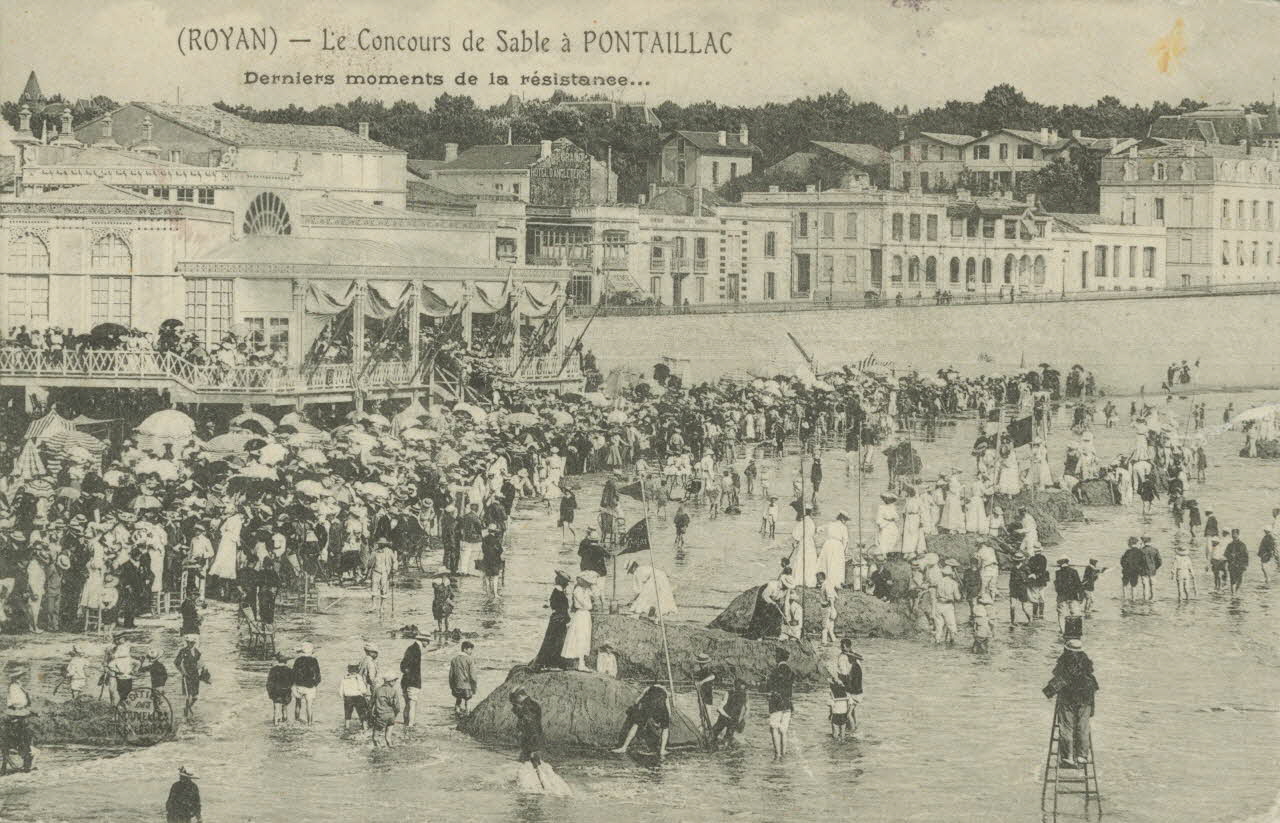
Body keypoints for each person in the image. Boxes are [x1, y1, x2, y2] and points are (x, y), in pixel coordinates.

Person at [1043, 638, 1099, 768]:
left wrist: (1048, 692)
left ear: (1067, 650)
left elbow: (1061, 679)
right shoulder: (1086, 663)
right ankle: (1082, 756)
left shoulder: (1065, 661)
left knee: (1067, 727)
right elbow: (1091, 683)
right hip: (1086, 698)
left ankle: (1068, 756)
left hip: (1068, 698)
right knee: (1083, 726)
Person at [612, 682, 672, 761]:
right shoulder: (665, 691)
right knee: (665, 728)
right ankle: (662, 750)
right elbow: (668, 707)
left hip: (648, 706)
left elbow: (636, 701)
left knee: (636, 725)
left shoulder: (648, 688)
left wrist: (637, 707)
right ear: (662, 685)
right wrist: (668, 717)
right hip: (660, 708)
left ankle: (624, 747)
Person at [534, 571, 571, 671]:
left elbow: (554, 604)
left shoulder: (556, 591)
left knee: (551, 641)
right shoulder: (560, 593)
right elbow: (562, 607)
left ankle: (545, 663)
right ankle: (552, 664)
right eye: (566, 583)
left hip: (556, 618)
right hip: (559, 619)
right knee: (556, 642)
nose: (567, 585)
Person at [3, 669, 34, 774]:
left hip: (18, 711)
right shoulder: (14, 687)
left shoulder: (17, 686)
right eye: (20, 676)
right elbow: (16, 701)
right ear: (16, 678)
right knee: (22, 734)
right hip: (18, 710)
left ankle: (22, 757)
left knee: (22, 733)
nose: (22, 677)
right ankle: (25, 759)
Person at [766, 648, 794, 761]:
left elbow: (769, 687)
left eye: (776, 656)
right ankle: (784, 754)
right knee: (784, 730)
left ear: (778, 657)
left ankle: (777, 755)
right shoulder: (791, 672)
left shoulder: (775, 671)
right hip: (788, 704)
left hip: (776, 704)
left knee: (774, 729)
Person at [561, 574, 595, 671]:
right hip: (581, 615)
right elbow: (587, 605)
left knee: (585, 637)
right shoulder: (578, 590)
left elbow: (593, 600)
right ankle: (580, 662)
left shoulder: (586, 590)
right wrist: (589, 601)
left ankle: (581, 662)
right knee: (580, 637)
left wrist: (592, 593)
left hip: (585, 615)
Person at [399, 633, 432, 726]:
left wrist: (407, 673)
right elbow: (411, 668)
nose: (428, 643)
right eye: (428, 641)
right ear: (423, 640)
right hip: (412, 681)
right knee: (412, 704)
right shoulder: (416, 650)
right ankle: (410, 725)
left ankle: (406, 723)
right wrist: (413, 679)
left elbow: (403, 666)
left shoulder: (411, 648)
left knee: (407, 704)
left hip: (405, 681)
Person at [708, 678, 748, 747]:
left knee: (727, 740)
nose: (741, 691)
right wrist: (727, 716)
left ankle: (725, 745)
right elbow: (719, 708)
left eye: (743, 689)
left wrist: (741, 720)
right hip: (724, 717)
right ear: (735, 687)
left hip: (734, 719)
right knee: (712, 736)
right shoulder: (728, 693)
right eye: (740, 689)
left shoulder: (745, 695)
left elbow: (746, 709)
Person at [369, 672, 403, 747]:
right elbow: (397, 706)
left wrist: (370, 714)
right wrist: (395, 714)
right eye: (394, 680)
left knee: (375, 736)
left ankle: (378, 750)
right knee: (388, 737)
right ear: (390, 681)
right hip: (391, 715)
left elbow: (371, 703)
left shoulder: (377, 690)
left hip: (381, 715)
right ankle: (390, 748)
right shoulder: (393, 691)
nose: (395, 682)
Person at [934, 560, 962, 645]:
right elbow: (957, 597)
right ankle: (952, 642)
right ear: (950, 574)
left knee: (939, 625)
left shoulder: (938, 582)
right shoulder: (953, 583)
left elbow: (935, 594)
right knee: (951, 624)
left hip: (938, 604)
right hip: (948, 605)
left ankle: (937, 641)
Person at [292, 642, 321, 724]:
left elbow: (293, 673)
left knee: (298, 704)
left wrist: (294, 684)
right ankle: (309, 723)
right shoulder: (314, 660)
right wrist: (315, 684)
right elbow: (318, 675)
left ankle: (297, 720)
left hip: (299, 685)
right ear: (311, 651)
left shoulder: (298, 660)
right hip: (310, 686)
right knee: (309, 706)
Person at [1053, 557, 1084, 634]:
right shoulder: (1074, 571)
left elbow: (1057, 587)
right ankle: (1075, 631)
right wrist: (1081, 596)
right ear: (1068, 562)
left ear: (1060, 564)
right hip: (1073, 596)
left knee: (1061, 614)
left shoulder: (1058, 573)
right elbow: (1079, 585)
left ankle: (1063, 631)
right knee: (1075, 613)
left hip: (1062, 597)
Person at [173, 638, 202, 719]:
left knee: (195, 696)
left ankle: (187, 708)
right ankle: (186, 714)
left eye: (192, 643)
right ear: (187, 643)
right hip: (187, 675)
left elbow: (200, 663)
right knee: (188, 696)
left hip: (195, 675)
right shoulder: (183, 651)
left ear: (194, 643)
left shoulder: (196, 651)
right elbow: (176, 662)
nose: (191, 644)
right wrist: (183, 672)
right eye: (189, 642)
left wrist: (202, 672)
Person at [449, 641, 478, 717]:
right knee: (467, 700)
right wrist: (474, 685)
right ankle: (467, 713)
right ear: (465, 649)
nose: (471, 651)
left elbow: (451, 674)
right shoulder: (470, 659)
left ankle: (457, 712)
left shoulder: (454, 659)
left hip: (457, 685)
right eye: (470, 649)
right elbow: (472, 674)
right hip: (466, 685)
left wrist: (451, 685)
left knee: (458, 699)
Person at [338, 663, 370, 729]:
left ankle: (347, 726)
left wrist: (342, 696)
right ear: (357, 670)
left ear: (349, 670)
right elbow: (363, 688)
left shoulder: (344, 677)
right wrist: (365, 693)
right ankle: (365, 727)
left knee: (347, 712)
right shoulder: (358, 677)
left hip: (348, 697)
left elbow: (341, 689)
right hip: (358, 697)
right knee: (362, 712)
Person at [266, 652, 294, 725]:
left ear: (278, 660)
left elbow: (269, 682)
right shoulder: (289, 670)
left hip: (276, 691)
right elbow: (292, 682)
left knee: (276, 708)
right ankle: (286, 721)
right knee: (285, 707)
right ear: (286, 661)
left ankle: (276, 723)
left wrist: (270, 692)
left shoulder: (273, 669)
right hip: (286, 691)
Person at [1120, 538, 1147, 604]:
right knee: (1134, 585)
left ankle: (1125, 598)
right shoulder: (1140, 552)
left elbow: (1122, 561)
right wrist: (1139, 569)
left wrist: (1124, 567)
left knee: (1125, 585)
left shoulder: (1127, 552)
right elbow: (1143, 562)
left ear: (1130, 543)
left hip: (1127, 570)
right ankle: (1134, 599)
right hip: (1135, 571)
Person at [480, 527, 505, 597]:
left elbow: (483, 550)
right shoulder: (496, 540)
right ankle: (495, 593)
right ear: (494, 532)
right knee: (495, 577)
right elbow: (500, 550)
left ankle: (488, 592)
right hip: (495, 560)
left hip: (486, 559)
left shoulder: (484, 539)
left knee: (487, 576)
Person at [1224, 528, 1249, 595]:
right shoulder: (1229, 545)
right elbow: (1226, 554)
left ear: (1238, 535)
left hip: (1240, 565)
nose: (1234, 535)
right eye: (1233, 534)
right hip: (1232, 565)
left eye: (1235, 534)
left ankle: (1236, 591)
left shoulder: (1242, 545)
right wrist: (1230, 556)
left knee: (1239, 580)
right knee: (1233, 580)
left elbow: (1246, 555)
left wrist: (1245, 565)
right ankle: (1233, 594)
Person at [1140, 537, 1162, 601]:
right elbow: (1160, 561)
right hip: (1153, 571)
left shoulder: (1141, 550)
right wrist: (1155, 567)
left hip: (1144, 571)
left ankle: (1145, 599)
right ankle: (1153, 598)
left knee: (1145, 586)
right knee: (1153, 585)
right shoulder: (1155, 550)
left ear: (1144, 542)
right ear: (1150, 542)